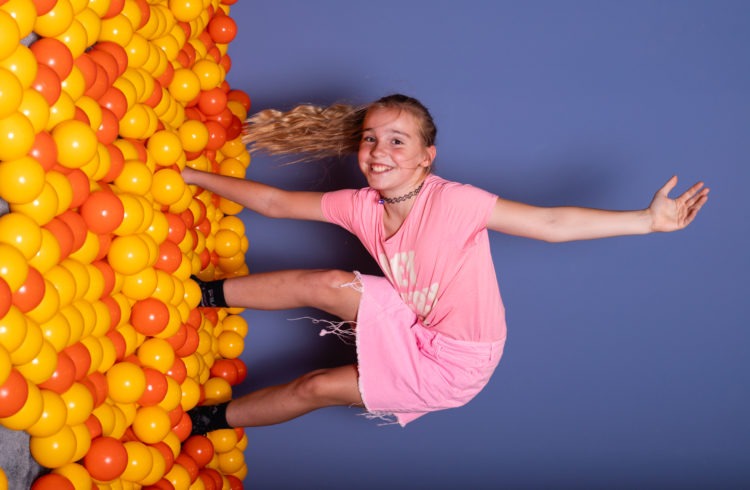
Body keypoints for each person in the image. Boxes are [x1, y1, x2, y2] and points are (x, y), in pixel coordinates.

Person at [184, 94, 709, 431]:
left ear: (426, 157)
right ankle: (201, 294)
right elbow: (276, 203)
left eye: (397, 141)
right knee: (326, 282)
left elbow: (551, 223)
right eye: (370, 139)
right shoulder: (361, 206)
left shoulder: (455, 202)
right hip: (416, 321)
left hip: (454, 365)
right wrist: (190, 176)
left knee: (316, 387)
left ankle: (205, 421)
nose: (379, 151)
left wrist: (646, 221)